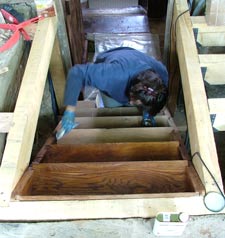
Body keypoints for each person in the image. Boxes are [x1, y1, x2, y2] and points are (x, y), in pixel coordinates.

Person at [57, 47, 168, 138]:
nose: (131, 103)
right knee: (111, 105)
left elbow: (153, 97)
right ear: (132, 93)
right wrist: (70, 111)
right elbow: (76, 73)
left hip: (134, 57)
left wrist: (148, 112)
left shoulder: (161, 78)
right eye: (134, 101)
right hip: (115, 58)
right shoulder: (111, 76)